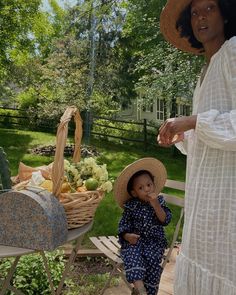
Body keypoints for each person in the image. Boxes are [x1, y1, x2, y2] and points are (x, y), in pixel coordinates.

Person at [158, 0, 236, 294]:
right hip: (203, 197)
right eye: (194, 13)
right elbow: (207, 132)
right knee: (201, 259)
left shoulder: (233, 51)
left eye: (209, 9)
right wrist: (183, 136)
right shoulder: (202, 75)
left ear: (226, 14)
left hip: (229, 196)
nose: (201, 17)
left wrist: (191, 122)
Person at [113, 158, 172, 295]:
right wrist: (127, 236)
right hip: (136, 240)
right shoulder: (131, 206)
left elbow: (165, 220)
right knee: (131, 254)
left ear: (153, 185)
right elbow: (123, 225)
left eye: (148, 185)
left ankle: (148, 291)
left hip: (154, 242)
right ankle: (140, 288)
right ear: (134, 193)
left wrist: (156, 205)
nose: (146, 189)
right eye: (141, 188)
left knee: (153, 261)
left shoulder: (159, 202)